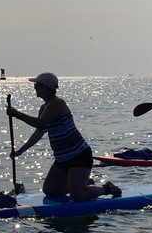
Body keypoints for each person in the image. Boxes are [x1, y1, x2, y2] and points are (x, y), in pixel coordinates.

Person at [7, 72, 121, 201]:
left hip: (79, 155)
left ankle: (107, 188)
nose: (34, 88)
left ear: (45, 87)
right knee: (50, 191)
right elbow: (39, 132)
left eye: (37, 85)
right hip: (62, 158)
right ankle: (85, 183)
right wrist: (20, 151)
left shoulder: (57, 103)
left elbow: (41, 122)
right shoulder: (43, 108)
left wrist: (18, 115)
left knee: (77, 196)